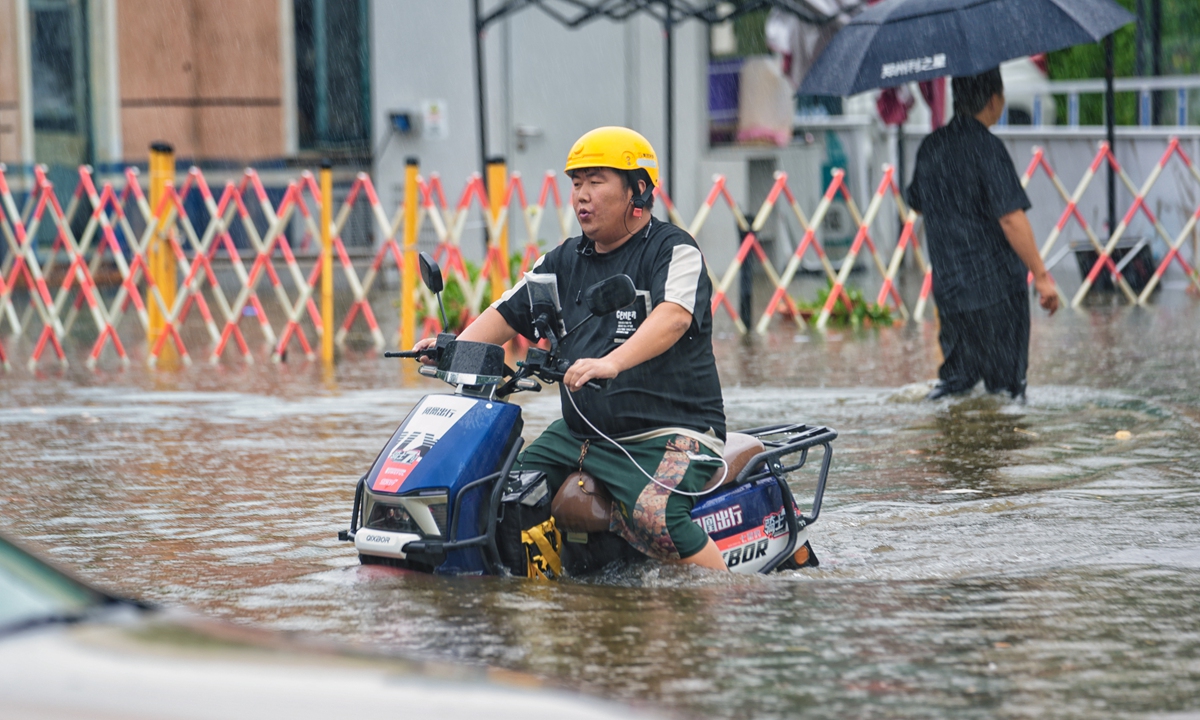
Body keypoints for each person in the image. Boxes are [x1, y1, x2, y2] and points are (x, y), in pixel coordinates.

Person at [413, 127, 729, 570]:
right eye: (576, 182)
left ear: (638, 189)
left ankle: (730, 602)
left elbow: (674, 316)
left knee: (656, 515)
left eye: (596, 181)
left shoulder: (672, 250)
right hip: (580, 437)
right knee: (501, 490)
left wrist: (611, 362)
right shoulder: (562, 261)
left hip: (669, 436)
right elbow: (507, 312)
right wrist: (451, 349)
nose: (581, 195)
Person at [906, 67, 1059, 401]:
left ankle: (955, 444)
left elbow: (917, 203)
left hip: (951, 292)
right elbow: (1011, 219)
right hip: (997, 292)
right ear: (994, 99)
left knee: (958, 385)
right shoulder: (988, 148)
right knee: (1005, 392)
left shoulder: (931, 147)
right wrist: (1042, 277)